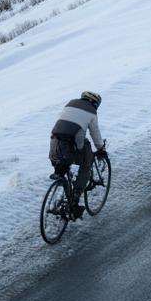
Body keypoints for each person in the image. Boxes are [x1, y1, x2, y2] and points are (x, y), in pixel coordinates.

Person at [48, 91, 104, 219]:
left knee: (61, 165)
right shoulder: (92, 112)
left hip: (55, 140)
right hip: (72, 143)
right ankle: (75, 197)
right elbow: (95, 133)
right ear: (95, 103)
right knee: (86, 164)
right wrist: (100, 148)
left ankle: (62, 184)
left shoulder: (70, 104)